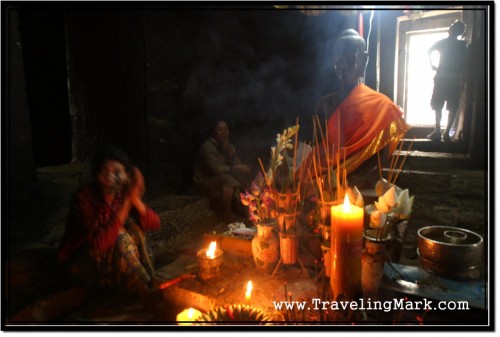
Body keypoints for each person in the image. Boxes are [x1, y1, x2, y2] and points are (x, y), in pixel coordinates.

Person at [304, 28, 410, 190]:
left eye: (349, 57)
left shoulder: (382, 107)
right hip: (327, 181)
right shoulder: (324, 103)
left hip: (361, 182)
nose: (343, 64)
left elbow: (378, 159)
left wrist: (355, 178)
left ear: (364, 60)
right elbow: (317, 150)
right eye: (338, 58)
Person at [56, 147, 162, 301]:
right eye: (105, 172)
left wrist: (134, 199)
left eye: (117, 172)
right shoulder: (85, 198)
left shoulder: (121, 194)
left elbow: (154, 224)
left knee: (135, 230)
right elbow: (101, 242)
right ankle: (144, 290)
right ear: (96, 174)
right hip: (79, 262)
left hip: (107, 257)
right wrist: (127, 202)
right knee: (121, 237)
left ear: (126, 175)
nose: (110, 177)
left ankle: (149, 282)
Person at [193, 120, 252, 222]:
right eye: (220, 130)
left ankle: (247, 211)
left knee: (243, 176)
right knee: (228, 179)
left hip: (219, 178)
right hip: (205, 181)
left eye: (226, 129)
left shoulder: (226, 145)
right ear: (214, 132)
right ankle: (226, 214)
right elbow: (215, 170)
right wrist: (236, 167)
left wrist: (234, 159)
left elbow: (237, 163)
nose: (224, 132)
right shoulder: (207, 147)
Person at [426, 20, 467, 141]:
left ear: (451, 30)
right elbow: (465, 63)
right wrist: (462, 78)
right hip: (454, 78)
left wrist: (432, 65)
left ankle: (438, 132)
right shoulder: (461, 45)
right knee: (452, 106)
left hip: (442, 77)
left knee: (438, 104)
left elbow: (429, 50)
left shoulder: (443, 42)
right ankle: (446, 133)